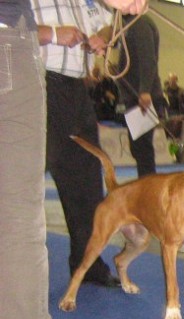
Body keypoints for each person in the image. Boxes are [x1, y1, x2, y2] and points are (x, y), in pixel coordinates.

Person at [0, 0, 146, 319]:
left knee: (80, 180)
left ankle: (91, 263)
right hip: (14, 53)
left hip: (51, 72)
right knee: (18, 221)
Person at [33, 0, 120, 288]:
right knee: (21, 185)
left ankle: (88, 263)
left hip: (76, 91)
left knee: (87, 182)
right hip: (35, 84)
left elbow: (107, 23)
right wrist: (53, 34)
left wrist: (101, 39)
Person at [117, 13, 165, 178]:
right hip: (135, 95)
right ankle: (146, 185)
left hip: (142, 97)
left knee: (142, 149)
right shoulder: (130, 25)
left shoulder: (140, 24)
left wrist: (145, 90)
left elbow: (148, 59)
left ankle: (148, 188)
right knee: (139, 148)